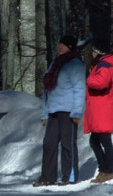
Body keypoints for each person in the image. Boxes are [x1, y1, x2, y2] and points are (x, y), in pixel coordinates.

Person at [33, 35, 86, 187]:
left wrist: (77, 112)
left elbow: (79, 89)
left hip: (68, 110)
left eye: (64, 45)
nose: (60, 47)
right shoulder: (55, 64)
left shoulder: (75, 64)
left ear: (71, 47)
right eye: (60, 44)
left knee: (67, 144)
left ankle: (69, 176)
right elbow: (47, 91)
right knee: (49, 143)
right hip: (53, 110)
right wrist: (44, 113)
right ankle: (47, 177)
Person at [83, 39, 113, 183]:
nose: (92, 53)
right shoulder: (102, 65)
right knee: (95, 141)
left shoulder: (104, 67)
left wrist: (87, 79)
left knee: (104, 141)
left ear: (98, 53)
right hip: (100, 109)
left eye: (93, 50)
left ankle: (107, 171)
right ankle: (104, 170)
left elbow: (100, 83)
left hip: (102, 110)